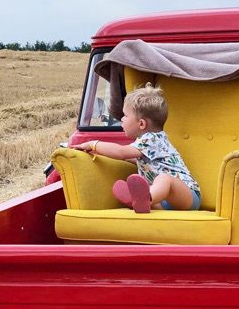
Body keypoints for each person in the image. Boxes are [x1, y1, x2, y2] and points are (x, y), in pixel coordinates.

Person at [72, 84, 201, 213]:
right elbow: (132, 158)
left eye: (125, 116)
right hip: (165, 201)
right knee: (151, 185)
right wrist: (99, 152)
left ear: (141, 124)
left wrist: (92, 144)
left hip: (188, 195)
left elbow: (120, 152)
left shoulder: (151, 139)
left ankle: (145, 199)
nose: (122, 119)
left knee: (164, 178)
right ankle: (140, 201)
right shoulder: (146, 144)